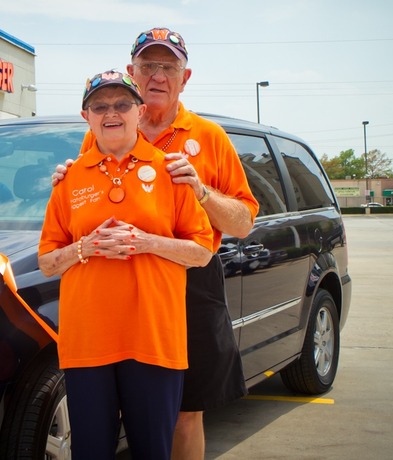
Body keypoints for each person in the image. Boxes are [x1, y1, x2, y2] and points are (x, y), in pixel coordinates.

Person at [52, 28, 260, 459]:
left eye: (169, 66)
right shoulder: (106, 127)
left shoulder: (210, 137)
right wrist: (65, 177)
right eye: (148, 65)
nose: (158, 75)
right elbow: (85, 192)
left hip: (189, 280)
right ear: (133, 72)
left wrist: (200, 190)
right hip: (119, 283)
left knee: (186, 411)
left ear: (186, 77)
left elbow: (243, 222)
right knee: (117, 416)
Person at [38, 70, 214, 459]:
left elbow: (202, 251)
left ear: (138, 111)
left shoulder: (171, 172)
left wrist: (147, 242)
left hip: (153, 338)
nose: (111, 113)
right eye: (99, 106)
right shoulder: (69, 180)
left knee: (152, 450)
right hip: (88, 344)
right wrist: (84, 247)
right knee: (91, 452)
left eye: (121, 104)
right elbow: (48, 262)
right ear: (87, 117)